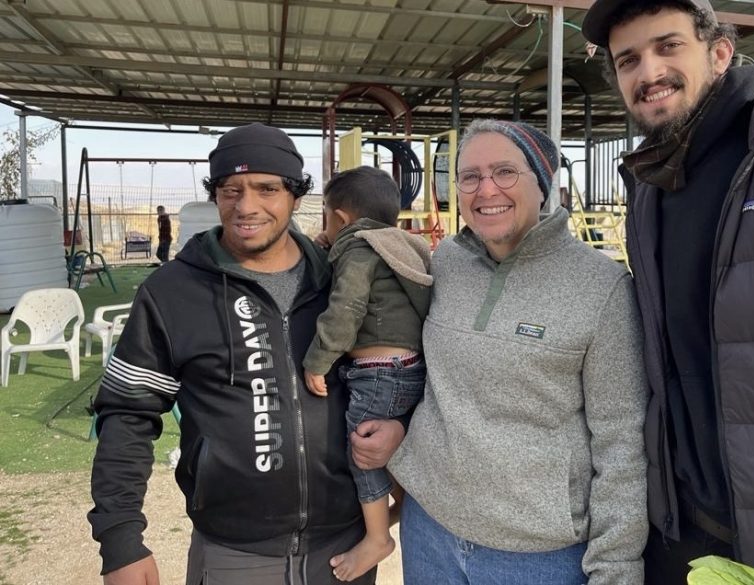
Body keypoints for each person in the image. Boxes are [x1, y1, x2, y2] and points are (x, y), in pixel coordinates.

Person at [88, 122, 398, 585]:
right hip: (233, 554)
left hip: (345, 552)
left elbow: (402, 371)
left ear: (296, 196)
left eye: (266, 188)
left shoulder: (343, 281)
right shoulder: (173, 292)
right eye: (230, 189)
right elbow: (126, 414)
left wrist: (397, 427)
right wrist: (120, 541)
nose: (246, 206)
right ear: (215, 194)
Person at [389, 119, 649, 584]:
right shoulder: (447, 261)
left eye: (505, 172)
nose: (486, 189)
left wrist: (616, 569)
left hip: (537, 556)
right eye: (469, 176)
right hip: (429, 531)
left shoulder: (601, 288)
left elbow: (622, 442)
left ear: (543, 181)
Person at [582, 1, 754, 581]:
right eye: (629, 60)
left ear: (719, 52)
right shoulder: (652, 178)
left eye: (668, 47)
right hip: (685, 517)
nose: (648, 73)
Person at [302, 166, 432, 582]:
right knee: (387, 449)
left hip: (378, 371)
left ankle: (377, 537)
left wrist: (318, 359)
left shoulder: (359, 251)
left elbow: (347, 309)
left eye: (326, 218)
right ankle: (397, 507)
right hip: (405, 367)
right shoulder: (397, 244)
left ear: (340, 218)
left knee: (363, 449)